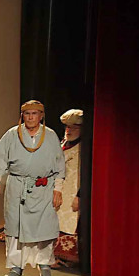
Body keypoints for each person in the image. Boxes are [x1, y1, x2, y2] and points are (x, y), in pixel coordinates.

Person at [0, 100, 66, 276]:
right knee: (15, 226)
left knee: (44, 226)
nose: (30, 117)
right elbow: (0, 159)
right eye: (27, 113)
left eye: (34, 113)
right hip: (18, 186)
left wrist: (58, 189)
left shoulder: (50, 135)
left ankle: (44, 262)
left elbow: (59, 164)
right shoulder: (13, 134)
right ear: (22, 115)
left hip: (43, 187)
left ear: (41, 116)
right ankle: (16, 265)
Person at [55, 109, 83, 267]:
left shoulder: (84, 149)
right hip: (59, 192)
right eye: (67, 127)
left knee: (70, 221)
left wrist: (80, 195)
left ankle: (68, 256)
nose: (69, 130)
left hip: (73, 193)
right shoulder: (62, 144)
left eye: (74, 128)